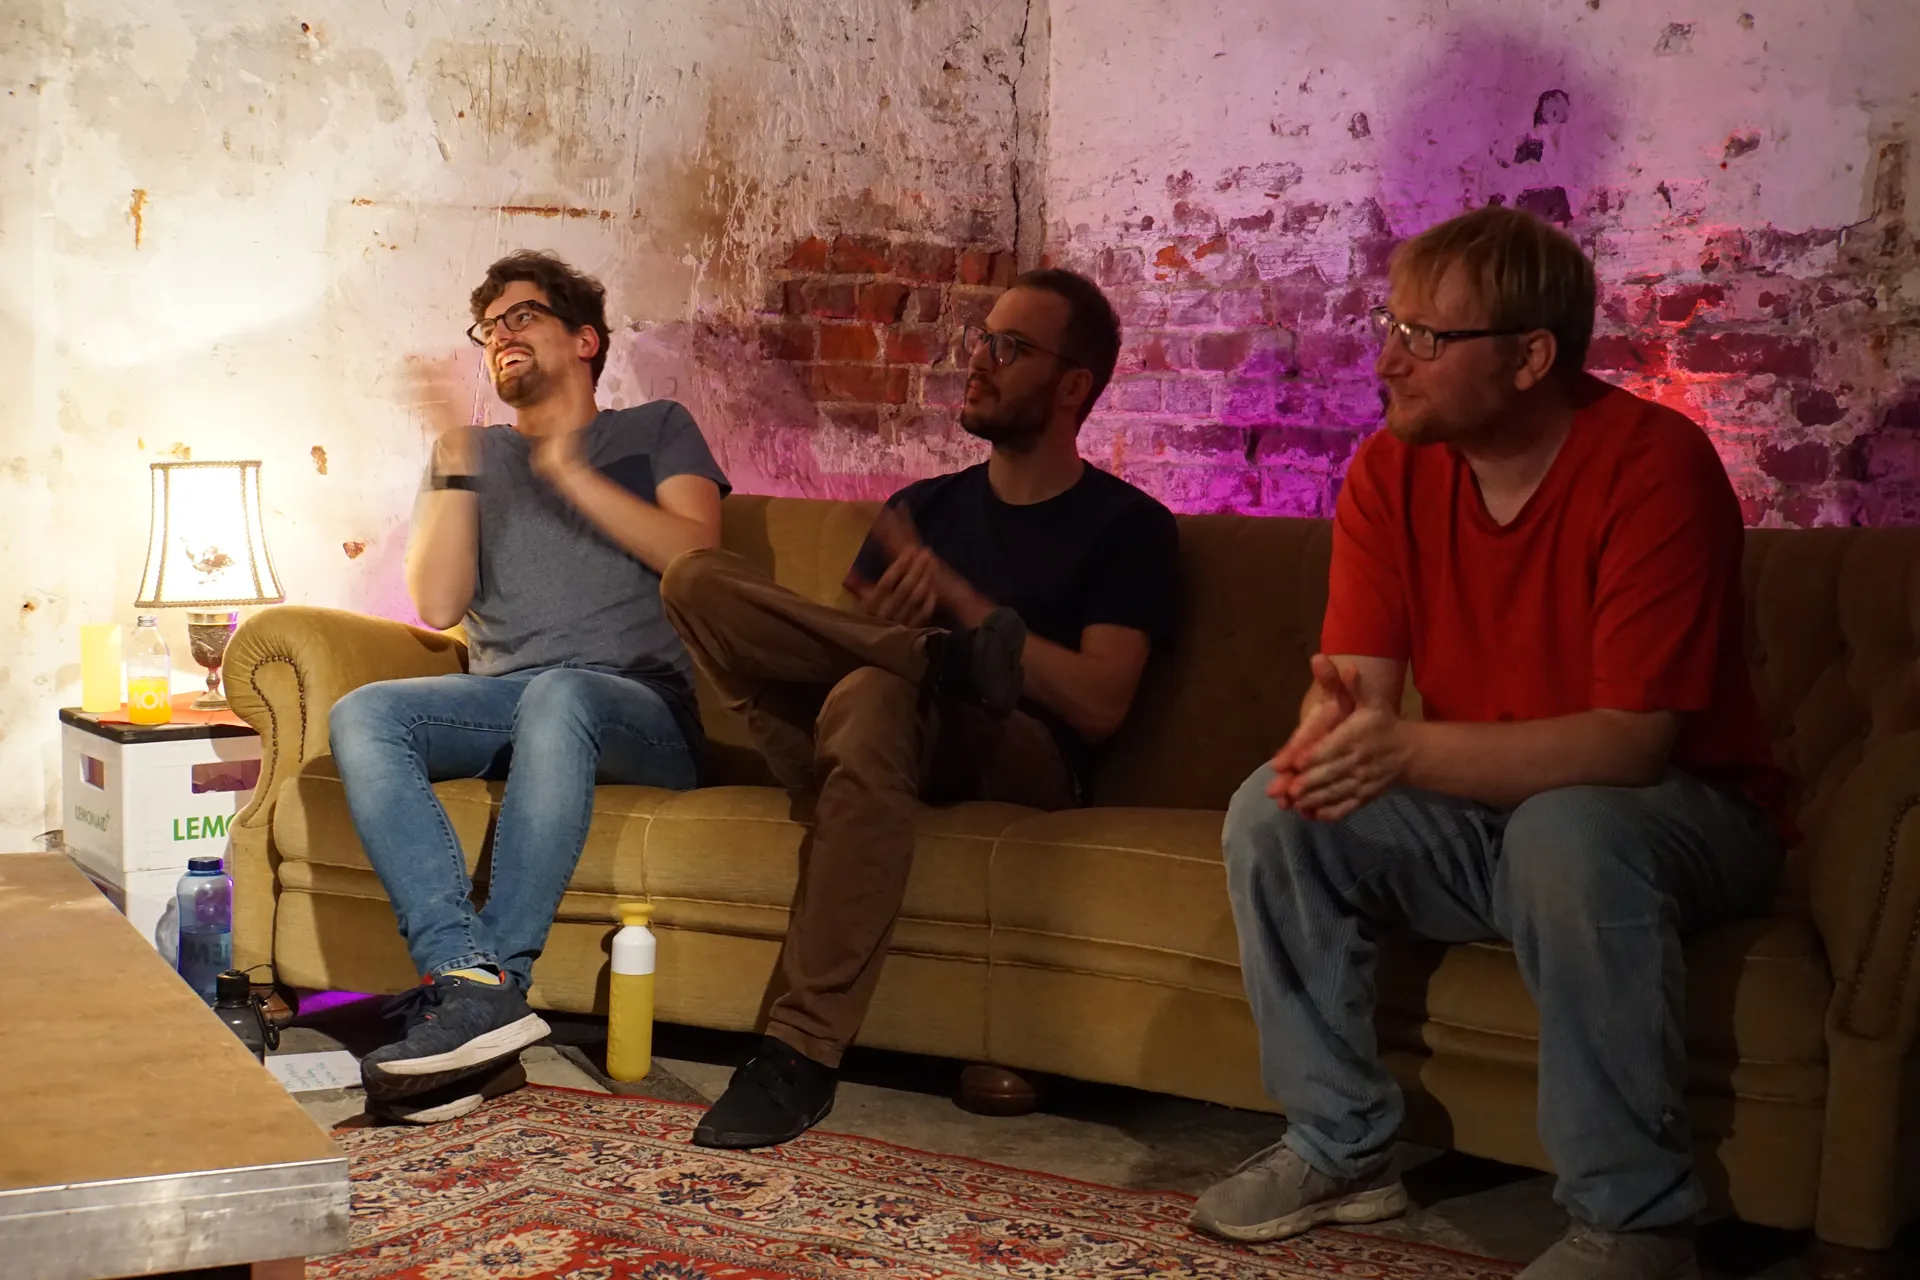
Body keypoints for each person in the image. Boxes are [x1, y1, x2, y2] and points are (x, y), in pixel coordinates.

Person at [1193, 208, 1787, 1280]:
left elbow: (1630, 746)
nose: (1387, 361)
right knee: (1274, 814)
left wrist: (1401, 753)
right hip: (1495, 819)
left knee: (1569, 831)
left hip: (1684, 818)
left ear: (1530, 357)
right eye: (1389, 325)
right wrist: (1323, 747)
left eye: (1424, 337)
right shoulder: (1389, 471)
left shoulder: (1655, 464)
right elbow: (1354, 700)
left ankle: (1637, 1219)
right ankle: (1340, 1144)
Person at [659, 267, 1181, 1150]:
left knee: (876, 689)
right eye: (983, 339)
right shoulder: (919, 508)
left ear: (1073, 387)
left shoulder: (1128, 525)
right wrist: (908, 640)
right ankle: (936, 661)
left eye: (1011, 347)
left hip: (1021, 760)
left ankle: (800, 1050)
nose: (979, 360)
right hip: (877, 738)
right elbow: (838, 667)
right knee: (694, 579)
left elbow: (1099, 705)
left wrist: (960, 604)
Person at [329, 250, 729, 1118]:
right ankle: (465, 980)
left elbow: (697, 558)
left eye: (523, 316)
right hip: (508, 701)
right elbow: (439, 605)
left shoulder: (656, 428)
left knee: (563, 694)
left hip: (639, 710)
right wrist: (454, 461)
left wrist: (569, 468)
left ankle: (499, 980)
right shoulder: (475, 454)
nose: (500, 335)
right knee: (366, 713)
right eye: (488, 327)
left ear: (584, 340)